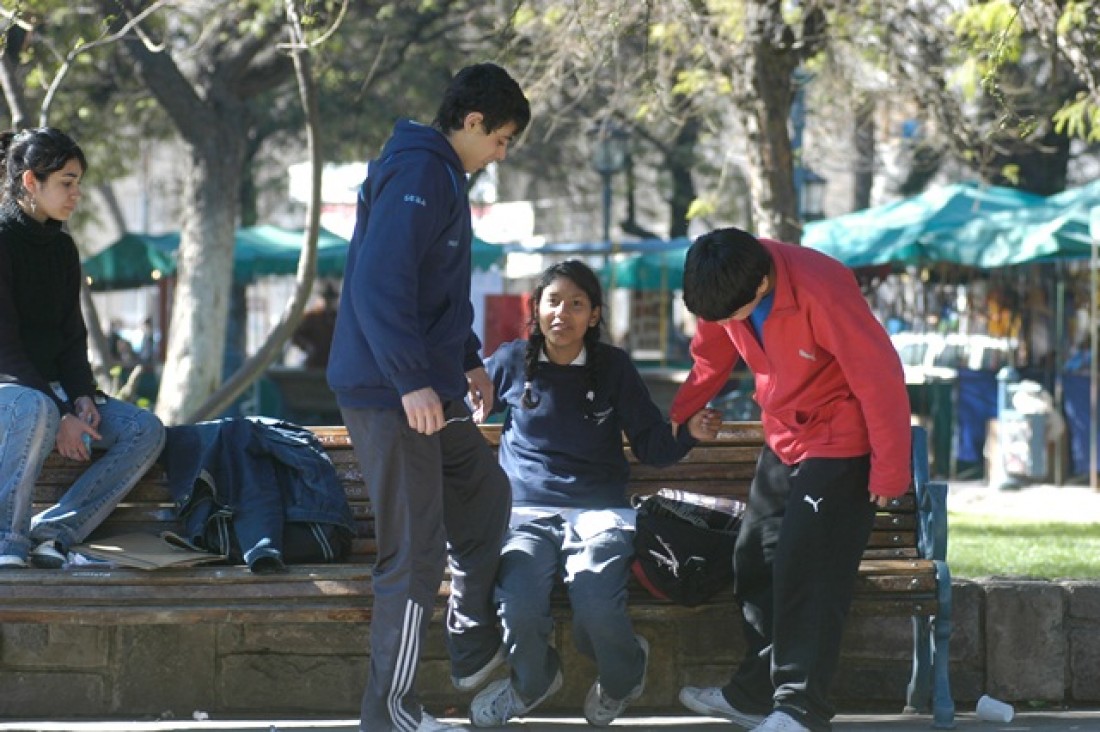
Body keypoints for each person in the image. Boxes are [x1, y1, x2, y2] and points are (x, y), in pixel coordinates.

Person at [326, 62, 530, 732]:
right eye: (500, 139)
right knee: (412, 553)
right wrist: (413, 379)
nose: (500, 154)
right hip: (391, 390)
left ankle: (470, 638)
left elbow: (434, 290)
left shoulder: (440, 173)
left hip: (422, 385)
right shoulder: (419, 170)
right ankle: (389, 712)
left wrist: (467, 361)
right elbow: (381, 284)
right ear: (471, 122)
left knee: (483, 491)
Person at [669, 228, 911, 732]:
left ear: (762, 285)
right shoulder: (723, 280)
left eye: (733, 314)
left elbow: (879, 375)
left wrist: (890, 469)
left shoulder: (821, 288)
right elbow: (711, 354)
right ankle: (756, 695)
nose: (725, 323)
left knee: (807, 565)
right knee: (753, 557)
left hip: (842, 437)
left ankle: (801, 709)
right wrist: (679, 417)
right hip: (785, 433)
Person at [468, 260, 719, 727]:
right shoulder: (510, 362)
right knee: (519, 606)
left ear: (595, 316)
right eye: (553, 301)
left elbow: (650, 443)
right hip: (524, 514)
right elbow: (459, 407)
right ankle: (533, 681)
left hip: (599, 514)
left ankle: (624, 676)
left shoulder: (613, 369)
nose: (562, 313)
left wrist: (691, 434)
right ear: (537, 309)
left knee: (596, 603)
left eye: (577, 303)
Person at [0, 127, 166, 570]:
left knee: (144, 429)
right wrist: (60, 410)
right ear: (32, 182)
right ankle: (7, 543)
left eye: (78, 183)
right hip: (11, 394)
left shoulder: (63, 249)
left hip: (51, 395)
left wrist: (83, 397)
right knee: (36, 408)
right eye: (66, 183)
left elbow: (72, 338)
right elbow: (7, 350)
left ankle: (53, 533)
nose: (76, 194)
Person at [291, 281, 339, 369]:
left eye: (331, 299)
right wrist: (308, 347)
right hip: (316, 362)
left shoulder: (339, 318)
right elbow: (296, 335)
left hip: (335, 362)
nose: (329, 302)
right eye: (327, 298)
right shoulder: (313, 317)